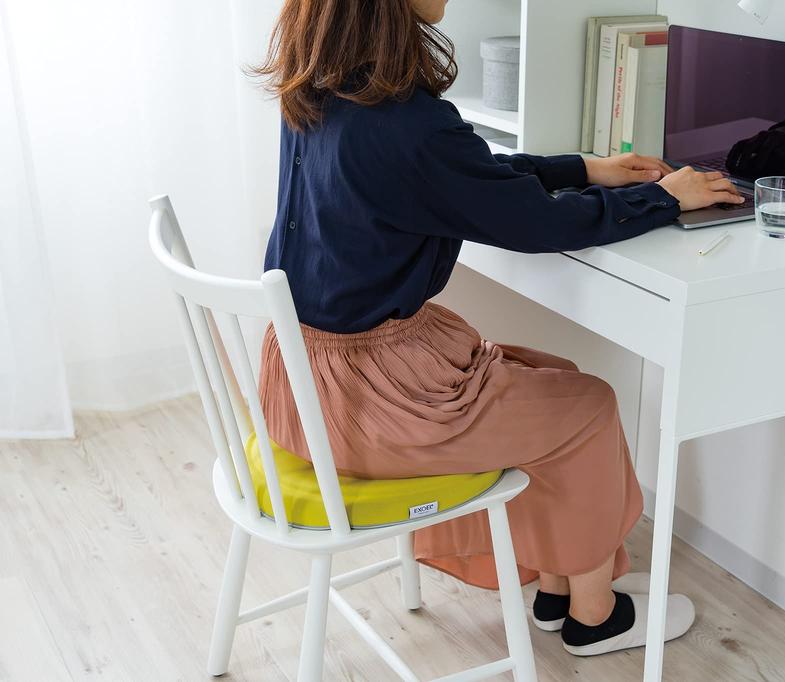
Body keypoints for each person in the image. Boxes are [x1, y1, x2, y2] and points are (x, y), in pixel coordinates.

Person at [253, 0, 743, 658]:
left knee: (556, 380)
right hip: (365, 405)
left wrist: (582, 168)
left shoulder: (319, 85)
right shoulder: (408, 123)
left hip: (304, 382)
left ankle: (556, 587)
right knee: (589, 408)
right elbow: (534, 223)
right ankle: (594, 617)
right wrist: (662, 198)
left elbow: (463, 177)